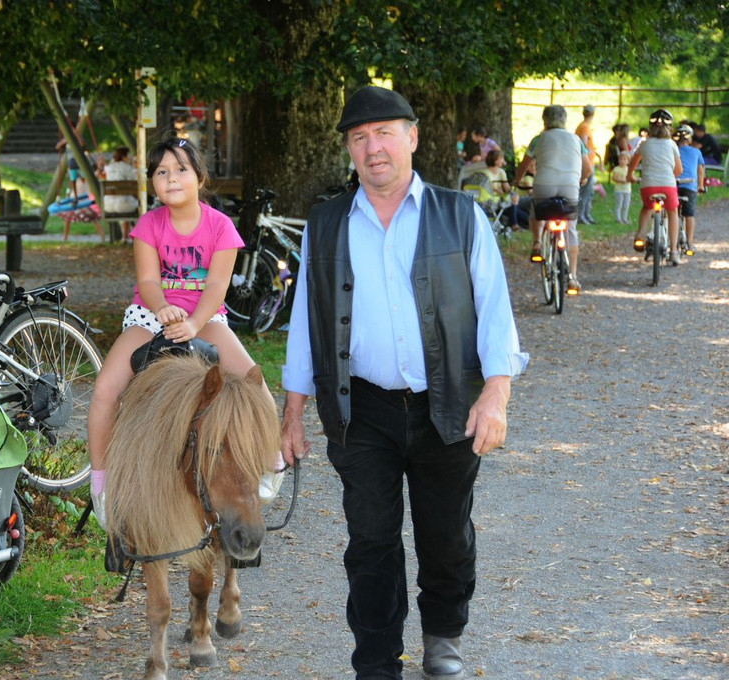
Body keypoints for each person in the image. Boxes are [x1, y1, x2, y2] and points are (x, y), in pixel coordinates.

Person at [280, 86, 528, 680]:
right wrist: (291, 414)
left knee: (445, 535)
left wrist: (495, 394)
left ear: (412, 138)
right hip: (359, 408)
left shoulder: (459, 215)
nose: (373, 148)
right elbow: (303, 326)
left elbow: (495, 314)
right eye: (359, 138)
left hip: (448, 405)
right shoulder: (326, 223)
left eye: (385, 133)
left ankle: (443, 639)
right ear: (349, 149)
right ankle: (376, 659)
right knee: (370, 542)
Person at [87, 138, 283, 530]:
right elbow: (146, 279)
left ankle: (269, 461)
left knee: (253, 381)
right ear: (152, 183)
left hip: (205, 316)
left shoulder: (220, 227)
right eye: (161, 172)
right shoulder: (149, 225)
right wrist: (161, 309)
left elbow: (216, 288)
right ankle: (102, 485)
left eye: (180, 170)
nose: (171, 178)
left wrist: (193, 323)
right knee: (105, 389)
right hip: (150, 314)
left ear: (199, 176)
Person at [513, 104, 592, 292]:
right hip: (569, 190)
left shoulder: (538, 140)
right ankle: (572, 277)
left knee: (536, 211)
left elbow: (524, 166)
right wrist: (581, 179)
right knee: (570, 229)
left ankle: (537, 243)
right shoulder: (576, 140)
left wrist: (517, 180)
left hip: (544, 187)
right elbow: (588, 168)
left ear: (545, 120)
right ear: (564, 119)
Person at [627, 109, 683, 265]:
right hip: (667, 186)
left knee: (647, 207)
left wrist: (630, 175)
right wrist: (670, 176)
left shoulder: (644, 144)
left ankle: (640, 235)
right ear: (669, 129)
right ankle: (673, 251)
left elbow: (633, 163)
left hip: (648, 186)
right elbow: (678, 170)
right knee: (672, 212)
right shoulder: (671, 144)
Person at [674, 124, 705, 255]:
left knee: (673, 213)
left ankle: (672, 242)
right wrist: (700, 186)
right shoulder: (697, 152)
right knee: (689, 215)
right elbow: (700, 170)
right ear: (690, 140)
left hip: (674, 184)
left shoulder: (673, 150)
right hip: (689, 186)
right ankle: (690, 242)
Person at [103, 146, 138, 242]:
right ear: (124, 156)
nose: (130, 157)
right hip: (124, 205)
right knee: (143, 207)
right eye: (128, 155)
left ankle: (124, 237)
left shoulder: (109, 168)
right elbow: (134, 185)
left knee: (124, 200)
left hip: (108, 205)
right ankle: (140, 238)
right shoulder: (128, 168)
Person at [575, 104, 598, 224]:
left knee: (588, 191)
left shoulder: (582, 126)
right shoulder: (584, 127)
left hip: (588, 161)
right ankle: (581, 215)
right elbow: (583, 142)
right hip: (586, 162)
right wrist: (587, 151)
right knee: (585, 191)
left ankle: (586, 214)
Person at [611, 151, 633, 224]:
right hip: (619, 190)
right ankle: (618, 218)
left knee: (626, 205)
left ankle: (624, 218)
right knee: (619, 204)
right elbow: (614, 178)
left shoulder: (629, 169)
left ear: (628, 161)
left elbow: (632, 177)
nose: (622, 161)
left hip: (627, 190)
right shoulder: (617, 169)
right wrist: (622, 181)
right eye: (620, 159)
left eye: (624, 159)